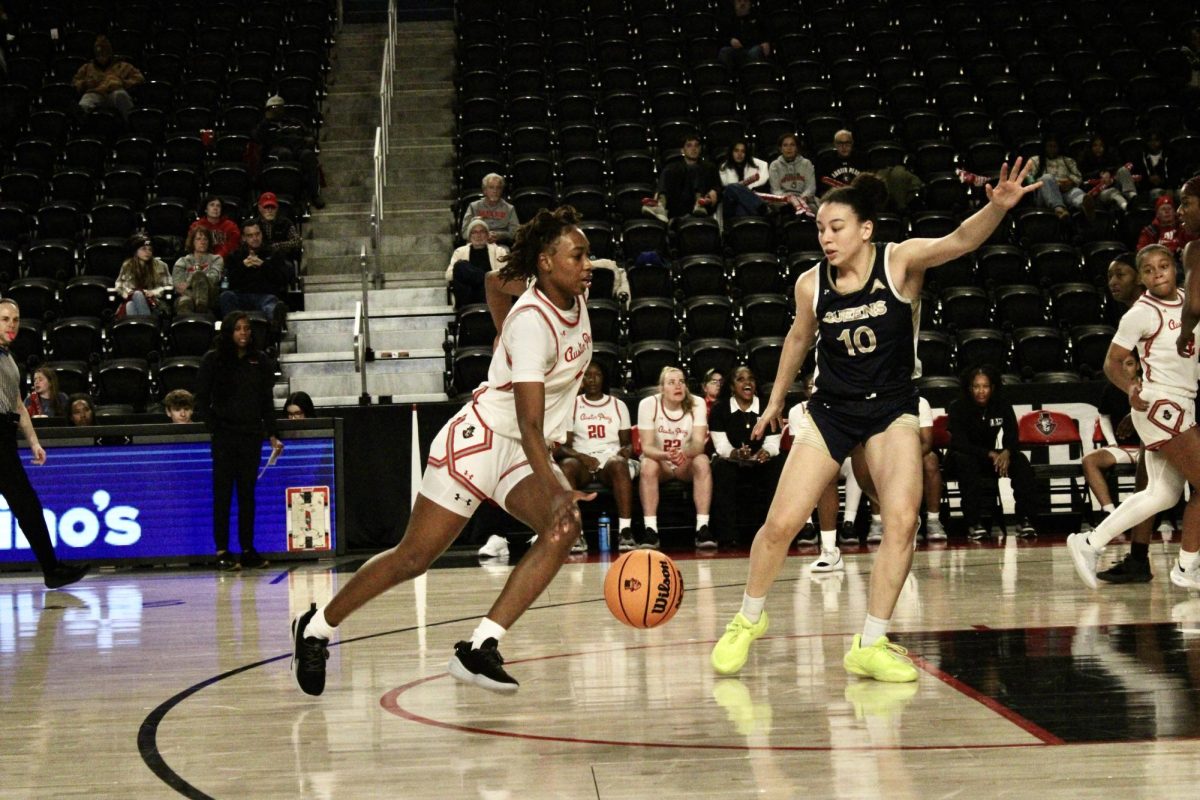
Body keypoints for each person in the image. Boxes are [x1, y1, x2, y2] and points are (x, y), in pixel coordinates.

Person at [709, 161, 1040, 682]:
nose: (825, 237)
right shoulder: (810, 283)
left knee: (903, 521)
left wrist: (996, 206)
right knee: (779, 525)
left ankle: (870, 640)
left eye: (836, 227)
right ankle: (747, 619)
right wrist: (774, 401)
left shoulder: (901, 261)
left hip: (890, 407)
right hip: (831, 409)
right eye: (819, 228)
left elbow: (960, 240)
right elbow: (798, 339)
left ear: (866, 229)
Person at [290, 206, 594, 697]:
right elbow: (528, 421)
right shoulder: (534, 325)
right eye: (578, 255)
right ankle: (317, 628)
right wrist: (514, 341)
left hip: (520, 447)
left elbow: (495, 284)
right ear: (546, 262)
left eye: (587, 255)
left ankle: (479, 648)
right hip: (481, 441)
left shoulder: (569, 296)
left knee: (562, 531)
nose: (587, 264)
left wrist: (503, 339)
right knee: (413, 559)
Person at [1071, 240, 1200, 591]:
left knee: (1162, 495)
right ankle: (1188, 567)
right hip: (1160, 404)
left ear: (1175, 268)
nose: (1158, 273)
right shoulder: (1141, 312)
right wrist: (1130, 387)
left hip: (1182, 402)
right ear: (1142, 279)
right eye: (1149, 269)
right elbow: (1112, 361)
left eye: (1163, 266)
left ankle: (1089, 543)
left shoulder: (1189, 299)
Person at [0, 299, 89, 588]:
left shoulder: (9, 360)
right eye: (4, 319)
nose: (11, 324)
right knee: (26, 505)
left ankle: (52, 569)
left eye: (15, 319)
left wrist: (34, 441)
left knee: (27, 506)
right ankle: (51, 569)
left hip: (5, 435)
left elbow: (17, 405)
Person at [194, 311, 284, 571]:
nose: (243, 333)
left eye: (247, 329)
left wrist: (272, 433)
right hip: (224, 436)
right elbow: (201, 397)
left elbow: (266, 401)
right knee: (222, 494)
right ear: (229, 332)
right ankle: (222, 549)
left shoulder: (260, 361)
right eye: (238, 329)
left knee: (247, 495)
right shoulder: (214, 359)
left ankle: (247, 549)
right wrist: (214, 427)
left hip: (251, 436)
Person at [945, 364, 1040, 540]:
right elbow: (959, 443)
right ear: (970, 388)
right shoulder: (957, 406)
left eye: (985, 386)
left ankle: (1024, 520)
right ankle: (974, 523)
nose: (981, 391)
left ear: (993, 387)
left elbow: (1012, 434)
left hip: (991, 457)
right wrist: (990, 454)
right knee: (967, 462)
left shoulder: (1001, 404)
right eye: (977, 386)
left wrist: (1007, 452)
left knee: (1021, 462)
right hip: (961, 457)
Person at [555, 362, 638, 553]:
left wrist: (626, 451)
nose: (592, 379)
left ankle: (625, 531)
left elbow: (627, 443)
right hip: (581, 462)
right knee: (567, 466)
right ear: (581, 381)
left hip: (609, 461)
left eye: (597, 375)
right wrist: (582, 457)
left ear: (604, 378)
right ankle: (575, 533)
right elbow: (563, 447)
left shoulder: (618, 405)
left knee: (619, 464)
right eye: (587, 376)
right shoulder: (572, 405)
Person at [636, 366, 713, 550]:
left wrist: (683, 453)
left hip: (684, 462)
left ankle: (702, 528)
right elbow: (646, 447)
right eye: (671, 382)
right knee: (647, 464)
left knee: (702, 461)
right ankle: (651, 530)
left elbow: (698, 444)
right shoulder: (648, 404)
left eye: (682, 382)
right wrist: (666, 455)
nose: (678, 386)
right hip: (660, 461)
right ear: (662, 388)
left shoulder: (697, 403)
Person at [709, 365, 784, 547]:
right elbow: (721, 445)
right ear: (732, 387)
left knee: (780, 464)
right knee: (720, 468)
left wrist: (766, 452)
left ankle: (775, 531)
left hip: (761, 461)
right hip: (733, 462)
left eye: (750, 378)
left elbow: (774, 442)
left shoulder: (768, 408)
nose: (747, 382)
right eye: (740, 379)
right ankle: (728, 536)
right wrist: (736, 453)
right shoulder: (720, 409)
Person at [219, 221, 290, 335]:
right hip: (241, 296)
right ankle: (231, 333)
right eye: (250, 236)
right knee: (226, 296)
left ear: (262, 234)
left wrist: (264, 265)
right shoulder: (234, 256)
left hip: (265, 295)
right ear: (243, 238)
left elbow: (282, 280)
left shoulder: (274, 254)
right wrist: (243, 266)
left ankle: (275, 329)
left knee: (272, 304)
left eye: (257, 234)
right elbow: (227, 283)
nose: (255, 238)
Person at [254, 95, 325, 209]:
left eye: (278, 107)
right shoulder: (264, 126)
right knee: (284, 153)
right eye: (273, 107)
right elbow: (260, 141)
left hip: (298, 149)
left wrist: (299, 140)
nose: (276, 109)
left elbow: (310, 138)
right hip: (275, 152)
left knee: (308, 155)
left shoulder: (295, 123)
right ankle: (288, 195)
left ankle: (314, 194)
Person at [643, 134, 721, 223]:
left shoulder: (709, 167)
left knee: (695, 168)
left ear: (700, 149)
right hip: (679, 203)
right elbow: (666, 184)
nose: (693, 148)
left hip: (703, 203)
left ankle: (699, 204)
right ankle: (661, 205)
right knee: (668, 170)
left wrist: (714, 190)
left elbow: (718, 186)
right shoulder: (673, 167)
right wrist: (659, 193)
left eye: (696, 145)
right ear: (682, 150)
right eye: (689, 145)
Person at [72, 35, 142, 120]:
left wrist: (123, 83)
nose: (101, 58)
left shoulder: (123, 66)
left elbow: (139, 78)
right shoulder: (87, 68)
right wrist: (85, 84)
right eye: (99, 55)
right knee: (85, 101)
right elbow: (75, 82)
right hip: (95, 93)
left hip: (114, 92)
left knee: (121, 95)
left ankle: (131, 122)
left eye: (104, 55)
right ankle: (82, 127)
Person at [447, 217, 508, 308]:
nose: (478, 235)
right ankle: (487, 280)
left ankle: (487, 281)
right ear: (470, 236)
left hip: (489, 294)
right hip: (468, 295)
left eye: (482, 232)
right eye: (474, 232)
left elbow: (505, 273)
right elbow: (448, 275)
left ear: (487, 235)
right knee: (460, 266)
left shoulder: (499, 251)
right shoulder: (460, 252)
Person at [1025, 134, 1086, 220]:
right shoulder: (1034, 160)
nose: (1052, 149)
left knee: (1076, 191)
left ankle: (1084, 204)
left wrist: (1071, 182)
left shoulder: (1068, 161)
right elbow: (1029, 180)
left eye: (1054, 146)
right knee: (1046, 178)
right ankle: (1059, 209)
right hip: (1044, 194)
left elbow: (1079, 177)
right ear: (1045, 147)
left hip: (1065, 192)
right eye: (1049, 146)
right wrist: (1054, 184)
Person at [1079, 134, 1137, 216]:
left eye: (1101, 145)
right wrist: (1099, 174)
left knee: (1123, 170)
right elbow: (1083, 178)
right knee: (1112, 192)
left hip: (1115, 184)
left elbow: (1118, 166)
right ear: (1091, 147)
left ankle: (1133, 196)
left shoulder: (1110, 156)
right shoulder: (1085, 160)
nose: (1098, 148)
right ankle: (1126, 207)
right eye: (1095, 145)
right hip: (1099, 192)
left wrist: (1108, 172)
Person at [116, 236, 172, 319]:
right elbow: (119, 285)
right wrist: (127, 293)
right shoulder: (127, 265)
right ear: (136, 251)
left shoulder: (161, 265)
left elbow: (169, 286)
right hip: (132, 300)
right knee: (131, 302)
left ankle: (143, 325)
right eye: (143, 249)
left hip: (155, 302)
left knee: (131, 303)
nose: (147, 252)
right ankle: (146, 325)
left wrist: (153, 292)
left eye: (150, 249)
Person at [172, 226, 223, 315]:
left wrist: (190, 281)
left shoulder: (216, 259)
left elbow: (214, 278)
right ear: (192, 242)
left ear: (209, 242)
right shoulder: (182, 261)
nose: (202, 242)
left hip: (210, 296)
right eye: (198, 239)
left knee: (199, 275)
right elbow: (178, 286)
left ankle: (201, 309)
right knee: (185, 301)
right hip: (186, 296)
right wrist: (196, 282)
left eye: (205, 239)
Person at [459, 173, 519, 244]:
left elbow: (515, 233)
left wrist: (499, 235)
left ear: (502, 190)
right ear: (484, 190)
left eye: (498, 188)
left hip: (500, 244)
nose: (495, 191)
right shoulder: (473, 207)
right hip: (477, 244)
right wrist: (483, 236)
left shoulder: (509, 209)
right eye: (491, 187)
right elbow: (464, 232)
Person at [768, 133, 818, 216]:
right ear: (780, 149)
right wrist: (789, 200)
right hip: (784, 201)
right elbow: (775, 190)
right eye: (785, 145)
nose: (789, 148)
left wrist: (802, 199)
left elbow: (810, 187)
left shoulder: (806, 163)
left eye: (792, 145)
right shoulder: (775, 165)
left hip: (804, 200)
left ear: (797, 148)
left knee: (815, 209)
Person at [718, 140, 771, 218]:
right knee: (731, 187)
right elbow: (726, 186)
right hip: (730, 204)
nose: (739, 154)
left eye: (743, 151)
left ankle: (745, 226)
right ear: (731, 152)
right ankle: (762, 208)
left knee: (741, 207)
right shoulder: (724, 167)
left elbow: (763, 179)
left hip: (744, 205)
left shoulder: (758, 165)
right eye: (736, 151)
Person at [718, 0, 770, 68]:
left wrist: (765, 41)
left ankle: (753, 77)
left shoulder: (757, 16)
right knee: (724, 51)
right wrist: (730, 40)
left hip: (753, 47)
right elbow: (722, 36)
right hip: (736, 50)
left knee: (755, 51)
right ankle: (727, 77)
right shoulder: (728, 18)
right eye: (739, 1)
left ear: (750, 3)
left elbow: (766, 32)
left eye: (745, 1)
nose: (742, 3)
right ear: (734, 3)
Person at [815, 130, 866, 197]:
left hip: (857, 198)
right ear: (835, 144)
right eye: (840, 143)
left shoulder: (862, 160)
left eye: (847, 143)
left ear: (852, 143)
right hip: (835, 198)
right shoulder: (826, 161)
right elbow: (821, 188)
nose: (844, 147)